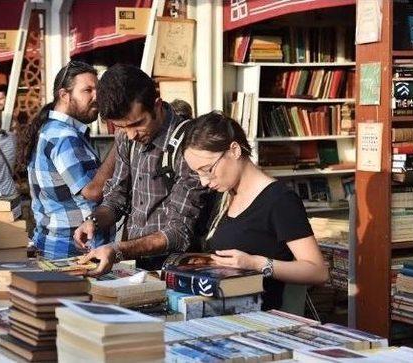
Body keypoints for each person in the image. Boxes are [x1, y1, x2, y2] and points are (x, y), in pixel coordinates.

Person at [180, 111, 328, 310]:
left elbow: (317, 271)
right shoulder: (222, 195)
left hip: (263, 317)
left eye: (208, 169)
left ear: (234, 150)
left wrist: (256, 264)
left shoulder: (280, 201)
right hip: (220, 311)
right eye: (197, 173)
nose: (204, 181)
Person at [74, 64, 210, 274]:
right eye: (121, 127)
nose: (131, 135)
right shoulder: (127, 139)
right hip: (133, 266)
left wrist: (119, 250)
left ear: (156, 105)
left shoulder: (190, 145)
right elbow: (116, 198)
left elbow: (178, 233)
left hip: (175, 271)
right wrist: (93, 221)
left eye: (137, 124)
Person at [20, 61, 116, 259]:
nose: (96, 97)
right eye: (87, 90)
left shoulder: (53, 130)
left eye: (97, 90)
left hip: (59, 243)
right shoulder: (64, 137)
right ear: (64, 95)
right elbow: (93, 192)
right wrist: (122, 143)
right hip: (72, 248)